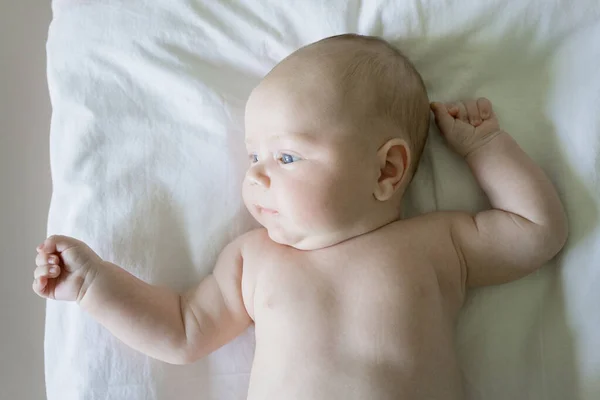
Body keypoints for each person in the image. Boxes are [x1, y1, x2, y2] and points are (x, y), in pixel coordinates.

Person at [32, 34, 568, 399]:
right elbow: (182, 328)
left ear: (388, 170)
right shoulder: (253, 259)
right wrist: (94, 287)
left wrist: (486, 147)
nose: (259, 176)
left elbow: (536, 232)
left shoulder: (435, 244)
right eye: (254, 157)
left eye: (286, 156)